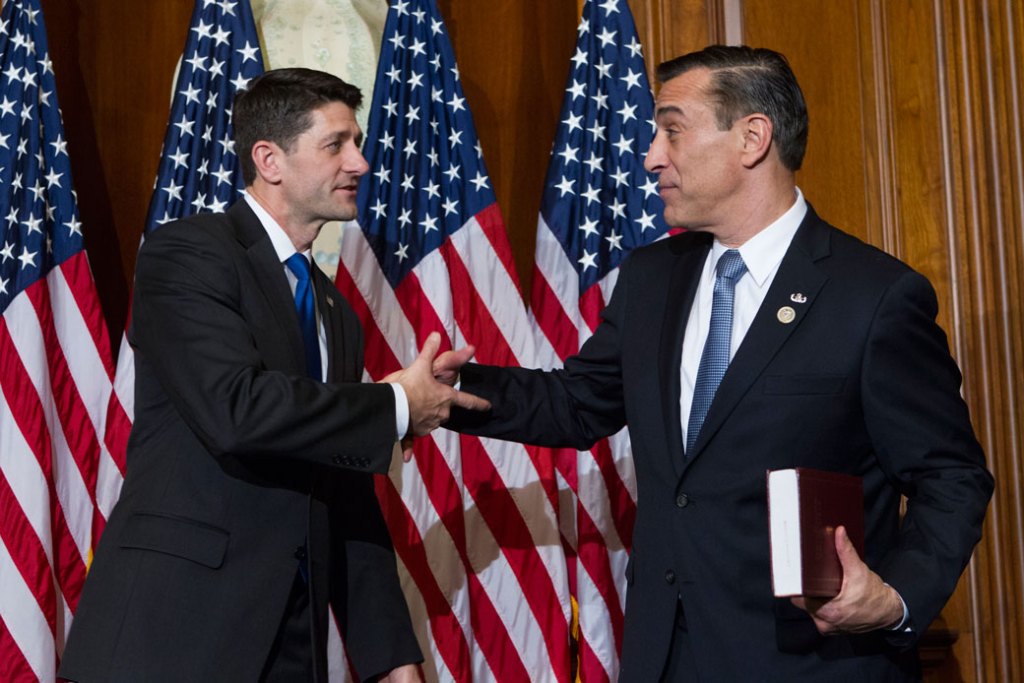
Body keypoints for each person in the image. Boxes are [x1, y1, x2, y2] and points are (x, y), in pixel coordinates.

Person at [440, 46, 993, 681]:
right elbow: (578, 403)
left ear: (752, 138)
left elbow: (950, 477)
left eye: (671, 130)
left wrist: (894, 597)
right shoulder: (652, 279)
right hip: (664, 658)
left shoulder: (874, 298)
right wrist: (452, 391)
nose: (651, 156)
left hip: (810, 663)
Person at [59, 68, 487, 683]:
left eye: (357, 142)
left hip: (288, 645)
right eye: (336, 143)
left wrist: (394, 660)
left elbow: (344, 494)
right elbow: (238, 410)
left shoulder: (334, 311)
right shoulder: (189, 253)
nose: (360, 163)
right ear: (270, 159)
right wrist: (394, 404)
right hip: (170, 638)